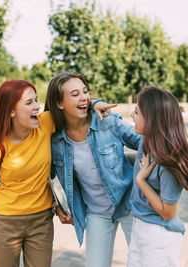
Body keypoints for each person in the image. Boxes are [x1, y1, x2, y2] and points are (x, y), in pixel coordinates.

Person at [0, 79, 110, 267]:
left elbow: (74, 105)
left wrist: (95, 103)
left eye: (37, 101)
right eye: (29, 103)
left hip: (41, 221)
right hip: (5, 223)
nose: (37, 107)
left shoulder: (45, 124)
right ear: (11, 111)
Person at [44, 71, 141, 267]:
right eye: (74, 94)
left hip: (130, 205)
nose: (83, 97)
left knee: (144, 262)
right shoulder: (55, 140)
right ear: (59, 103)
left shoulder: (109, 122)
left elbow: (146, 143)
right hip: (97, 212)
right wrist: (58, 206)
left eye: (85, 92)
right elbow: (53, 178)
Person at [127, 86, 188, 267]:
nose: (132, 114)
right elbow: (120, 132)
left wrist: (141, 181)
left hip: (158, 238)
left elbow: (169, 213)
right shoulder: (146, 141)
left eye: (137, 112)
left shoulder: (167, 161)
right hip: (140, 229)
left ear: (151, 120)